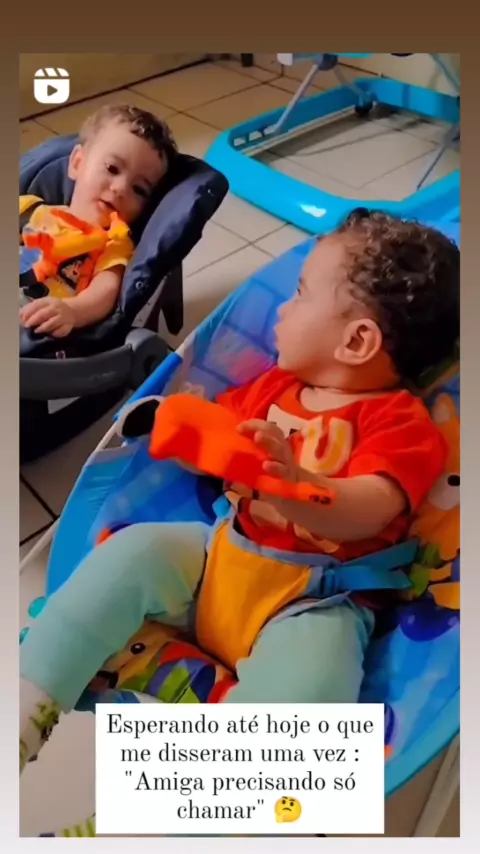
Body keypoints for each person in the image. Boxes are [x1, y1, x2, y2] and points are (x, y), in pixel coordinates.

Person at [20, 210, 459, 774]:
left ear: (356, 340)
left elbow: (372, 508)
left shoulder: (400, 423)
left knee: (312, 692)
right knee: (131, 554)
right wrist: (176, 428)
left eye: (300, 294)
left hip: (315, 601)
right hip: (217, 556)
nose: (284, 308)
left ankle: (210, 793)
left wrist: (299, 487)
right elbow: (214, 440)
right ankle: (31, 701)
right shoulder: (273, 387)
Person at [19, 104, 176, 337]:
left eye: (139, 189)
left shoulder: (114, 245)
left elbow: (105, 292)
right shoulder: (30, 209)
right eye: (112, 168)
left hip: (33, 330)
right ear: (77, 163)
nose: (121, 188)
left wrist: (73, 311)